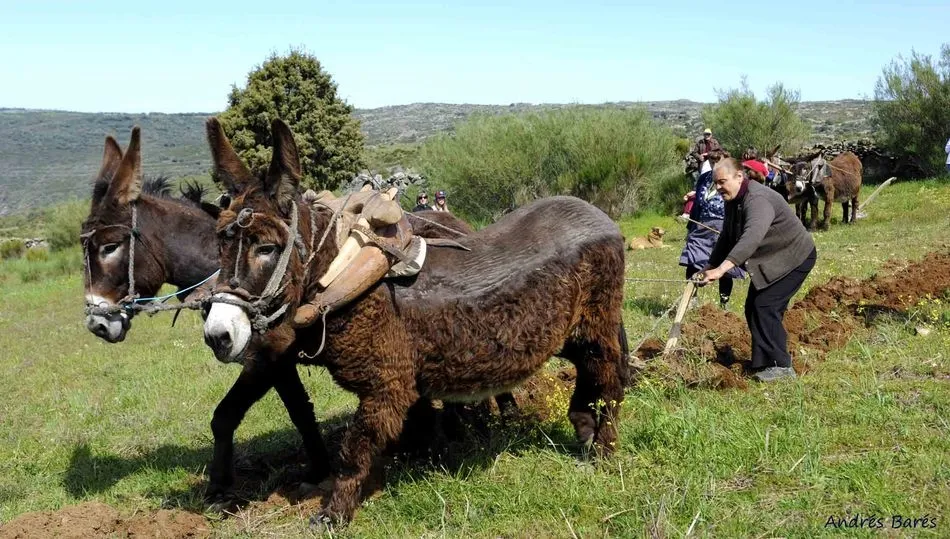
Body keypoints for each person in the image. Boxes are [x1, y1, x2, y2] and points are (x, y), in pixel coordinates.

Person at [698, 158, 817, 382]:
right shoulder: (734, 198)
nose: (718, 187)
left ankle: (781, 367)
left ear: (739, 177)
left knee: (765, 307)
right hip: (775, 258)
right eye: (716, 183)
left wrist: (723, 269)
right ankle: (764, 363)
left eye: (722, 182)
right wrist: (710, 265)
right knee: (754, 307)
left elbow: (751, 238)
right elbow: (727, 235)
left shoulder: (757, 199)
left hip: (795, 257)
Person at [679, 154, 745, 308]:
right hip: (702, 225)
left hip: (725, 225)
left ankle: (724, 302)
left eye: (718, 161)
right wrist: (691, 228)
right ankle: (691, 299)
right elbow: (698, 204)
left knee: (725, 265)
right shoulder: (704, 179)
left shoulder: (732, 179)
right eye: (712, 161)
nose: (715, 164)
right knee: (693, 259)